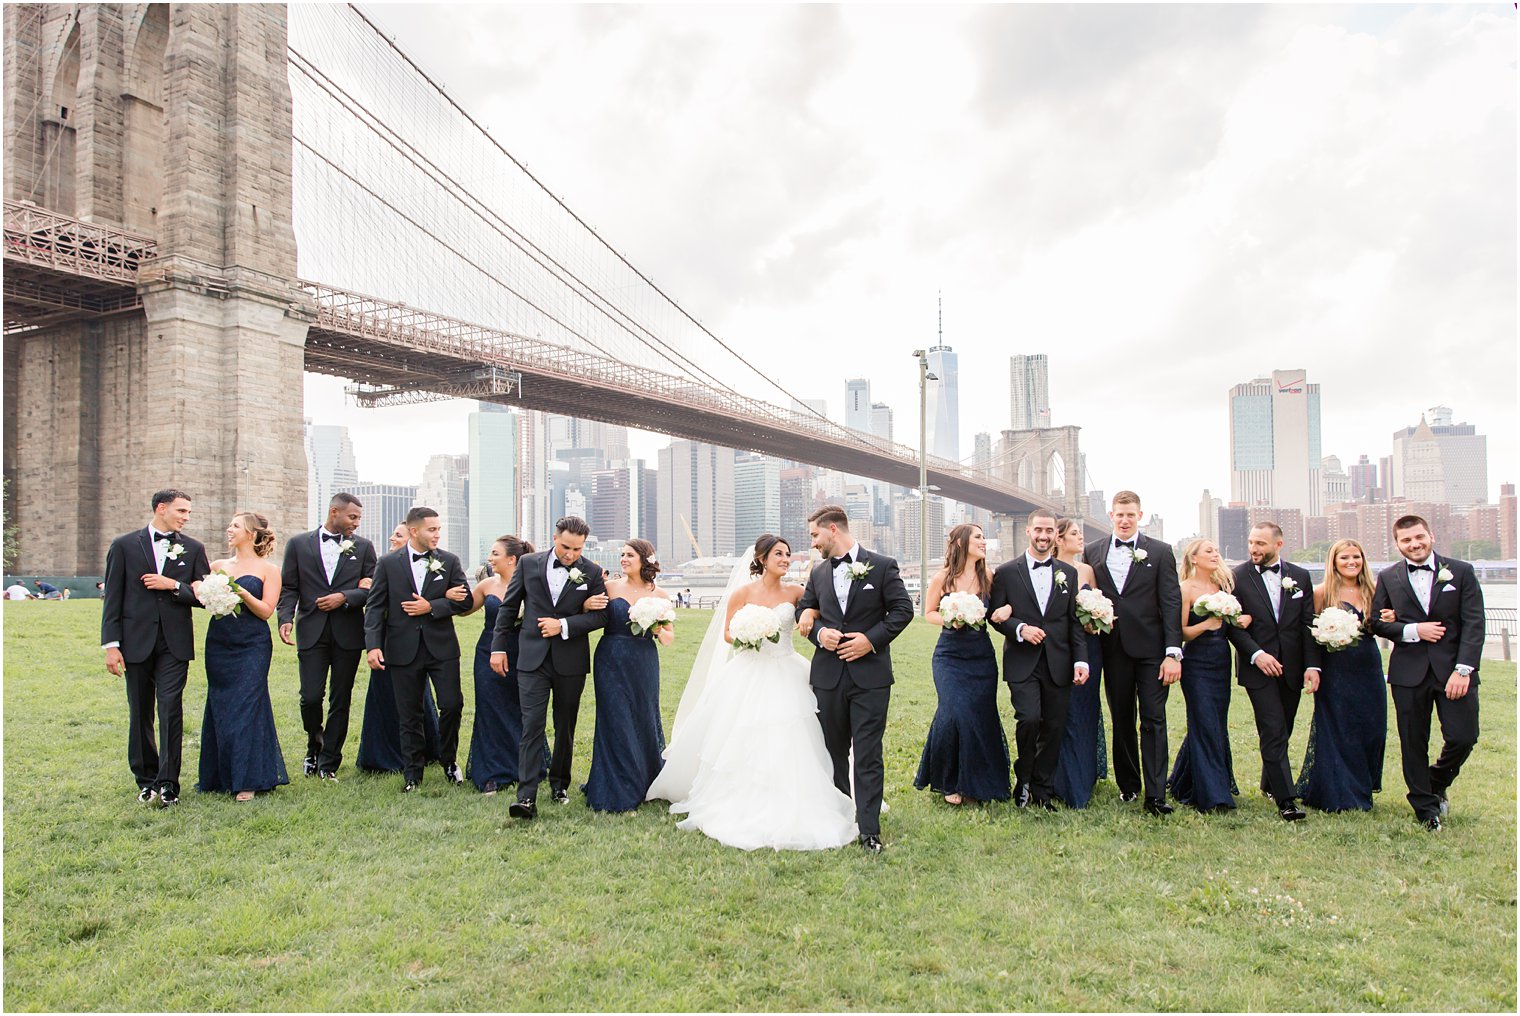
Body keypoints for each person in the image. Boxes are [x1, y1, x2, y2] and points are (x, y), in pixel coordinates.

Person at [647, 534, 857, 850]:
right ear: (761, 558)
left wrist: (809, 615)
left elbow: (812, 615)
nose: (786, 559)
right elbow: (728, 634)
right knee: (741, 733)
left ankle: (799, 794)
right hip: (748, 671)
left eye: (787, 554)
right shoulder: (742, 593)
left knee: (793, 733)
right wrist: (750, 633)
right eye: (778, 554)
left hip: (787, 668)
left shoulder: (797, 591)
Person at [796, 505, 915, 853]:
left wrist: (870, 640)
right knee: (833, 752)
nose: (813, 543)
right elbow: (805, 609)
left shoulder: (882, 565)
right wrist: (820, 634)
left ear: (833, 529)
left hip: (870, 677)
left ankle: (869, 831)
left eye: (815, 535)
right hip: (828, 676)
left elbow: (903, 610)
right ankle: (839, 817)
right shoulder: (818, 573)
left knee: (867, 753)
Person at [1368, 515, 1484, 831]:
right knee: (1413, 742)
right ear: (1397, 544)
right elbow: (1377, 622)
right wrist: (1413, 629)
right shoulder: (1389, 576)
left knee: (1463, 736)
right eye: (1406, 540)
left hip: (1453, 672)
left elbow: (1474, 624)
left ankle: (1435, 780)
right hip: (1408, 673)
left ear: (1430, 536)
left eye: (1419, 537)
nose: (1414, 544)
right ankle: (1425, 808)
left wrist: (1463, 669)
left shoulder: (1461, 571)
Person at [490, 516, 608, 818]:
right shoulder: (528, 563)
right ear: (555, 538)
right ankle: (526, 797)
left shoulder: (592, 572)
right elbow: (508, 607)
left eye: (577, 550)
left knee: (565, 726)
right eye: (567, 547)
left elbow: (601, 617)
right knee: (531, 726)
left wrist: (564, 625)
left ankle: (559, 784)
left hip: (570, 661)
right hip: (532, 659)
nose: (570, 555)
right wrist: (499, 647)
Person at [100, 489, 211, 806]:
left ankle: (168, 783)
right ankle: (146, 780)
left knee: (170, 709)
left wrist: (173, 585)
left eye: (188, 512)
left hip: (174, 645)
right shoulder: (123, 546)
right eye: (181, 510)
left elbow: (205, 597)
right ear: (161, 508)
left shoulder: (193, 548)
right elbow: (113, 600)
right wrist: (111, 645)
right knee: (140, 712)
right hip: (134, 643)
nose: (186, 517)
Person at [1083, 490, 1182, 816]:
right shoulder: (1092, 551)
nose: (1124, 520)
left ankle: (1155, 794)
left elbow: (1171, 602)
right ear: (1111, 516)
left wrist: (1173, 653)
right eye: (1119, 515)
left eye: (1130, 515)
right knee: (1122, 717)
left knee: (1154, 718)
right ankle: (1129, 785)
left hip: (1153, 651)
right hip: (1113, 649)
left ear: (1140, 516)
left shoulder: (1161, 551)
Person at [364, 506, 471, 792]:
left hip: (442, 648)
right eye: (431, 529)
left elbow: (465, 601)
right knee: (409, 713)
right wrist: (373, 646)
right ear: (414, 531)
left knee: (451, 704)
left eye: (439, 529)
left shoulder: (449, 561)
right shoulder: (387, 563)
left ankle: (449, 760)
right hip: (401, 648)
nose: (437, 534)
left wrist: (432, 605)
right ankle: (413, 774)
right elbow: (375, 607)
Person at [989, 511, 1087, 809]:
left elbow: (1073, 622)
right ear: (1028, 532)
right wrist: (1019, 628)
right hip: (1023, 660)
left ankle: (1042, 790)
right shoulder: (1006, 572)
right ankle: (1024, 780)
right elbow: (995, 615)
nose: (1044, 536)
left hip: (1059, 661)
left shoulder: (1068, 574)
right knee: (1029, 719)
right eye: (1039, 530)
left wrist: (1081, 661)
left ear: (1055, 535)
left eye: (1049, 531)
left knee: (1054, 726)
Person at [277, 492, 377, 780]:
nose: (356, 523)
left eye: (359, 518)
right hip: (311, 630)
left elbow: (373, 590)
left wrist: (344, 597)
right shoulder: (298, 544)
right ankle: (314, 745)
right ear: (334, 512)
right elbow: (290, 587)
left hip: (347, 633)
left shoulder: (364, 547)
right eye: (352, 517)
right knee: (310, 697)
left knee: (340, 699)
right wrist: (285, 617)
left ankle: (329, 762)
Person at [195, 512, 289, 801]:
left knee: (247, 705)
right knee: (221, 706)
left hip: (252, 645)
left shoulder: (268, 570)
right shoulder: (217, 566)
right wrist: (205, 591)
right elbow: (202, 600)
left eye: (235, 526)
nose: (228, 530)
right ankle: (219, 775)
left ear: (251, 533)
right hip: (219, 643)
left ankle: (248, 778)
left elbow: (266, 610)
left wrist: (238, 592)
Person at [914, 523, 1009, 805]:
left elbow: (997, 611)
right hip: (950, 656)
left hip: (981, 656)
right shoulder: (942, 578)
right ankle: (950, 781)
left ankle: (981, 782)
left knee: (981, 715)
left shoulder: (989, 576)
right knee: (954, 712)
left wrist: (1006, 609)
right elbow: (928, 612)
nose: (984, 542)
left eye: (984, 537)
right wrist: (951, 618)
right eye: (978, 537)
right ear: (960, 542)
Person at [1225, 522, 1310, 820]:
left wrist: (1311, 667)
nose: (1254, 549)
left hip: (1292, 667)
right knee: (1273, 728)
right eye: (1251, 542)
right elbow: (1232, 626)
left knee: (1284, 728)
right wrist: (1257, 654)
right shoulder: (1237, 576)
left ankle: (1269, 783)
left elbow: (1306, 626)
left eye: (1261, 543)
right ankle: (1287, 800)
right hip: (1257, 667)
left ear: (1279, 544)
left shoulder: (1300, 576)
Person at [582, 539, 673, 812]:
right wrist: (586, 604)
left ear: (645, 559)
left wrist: (657, 628)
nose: (623, 559)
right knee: (615, 717)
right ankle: (617, 784)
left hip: (644, 660)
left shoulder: (661, 595)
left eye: (629, 555)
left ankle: (646, 777)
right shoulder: (608, 588)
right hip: (610, 657)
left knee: (644, 714)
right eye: (622, 554)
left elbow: (669, 638)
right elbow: (586, 614)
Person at [1295, 538, 1386, 812]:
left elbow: (1384, 625)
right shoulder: (1322, 593)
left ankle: (1362, 786)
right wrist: (1313, 667)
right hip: (1335, 669)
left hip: (1368, 667)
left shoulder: (1375, 590)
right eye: (1344, 558)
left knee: (1372, 728)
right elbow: (1308, 634)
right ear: (1333, 562)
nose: (1351, 563)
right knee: (1338, 728)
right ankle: (1339, 792)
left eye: (1356, 557)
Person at [460, 535, 547, 794]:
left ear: (512, 559)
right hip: (489, 652)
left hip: (524, 654)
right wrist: (450, 596)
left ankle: (525, 767)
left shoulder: (534, 585)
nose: (490, 558)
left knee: (523, 710)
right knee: (490, 710)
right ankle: (491, 772)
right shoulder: (487, 584)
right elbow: (464, 609)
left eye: (495, 553)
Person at [357, 522, 443, 772]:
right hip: (386, 638)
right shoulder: (385, 565)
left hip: (417, 640)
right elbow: (375, 604)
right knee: (383, 694)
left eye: (398, 535)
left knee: (416, 696)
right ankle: (381, 753)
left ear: (413, 537)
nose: (392, 538)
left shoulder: (430, 567)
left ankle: (425, 749)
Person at [1167, 539, 1240, 813]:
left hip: (1221, 661)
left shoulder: (1223, 588)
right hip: (1197, 663)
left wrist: (1239, 619)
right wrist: (1206, 625)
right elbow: (1180, 631)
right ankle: (1213, 795)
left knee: (1215, 723)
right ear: (1194, 558)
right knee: (1203, 721)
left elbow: (1230, 626)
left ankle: (1185, 781)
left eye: (1216, 551)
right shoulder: (1185, 588)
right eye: (1208, 551)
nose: (1215, 554)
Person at [1051, 518, 1109, 808]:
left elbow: (1096, 602)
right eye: (1074, 533)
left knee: (1087, 710)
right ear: (1059, 539)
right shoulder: (1050, 570)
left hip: (1090, 648)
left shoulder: (1087, 570)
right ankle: (1063, 779)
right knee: (1066, 712)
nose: (1080, 537)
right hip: (1061, 648)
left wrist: (1097, 621)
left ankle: (1085, 774)